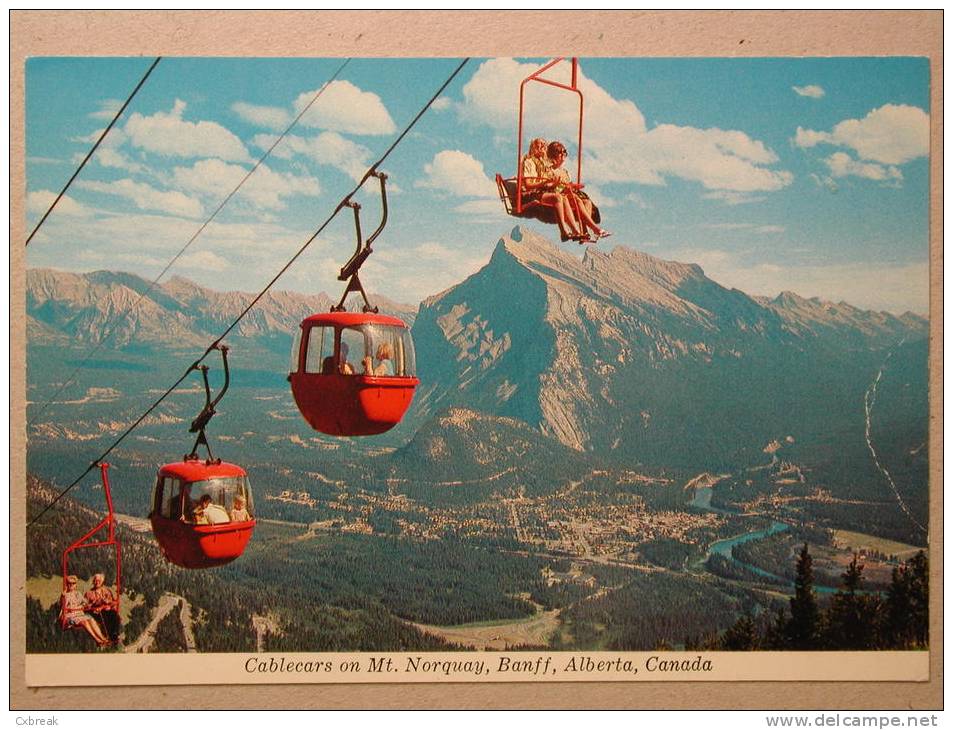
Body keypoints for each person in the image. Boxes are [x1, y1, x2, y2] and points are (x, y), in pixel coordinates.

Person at [520, 137, 586, 242]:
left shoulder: (544, 164)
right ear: (533, 148)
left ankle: (575, 231)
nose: (542, 147)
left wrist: (555, 184)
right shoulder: (529, 162)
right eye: (539, 145)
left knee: (564, 198)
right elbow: (528, 185)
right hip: (530, 194)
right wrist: (545, 182)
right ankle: (563, 231)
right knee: (558, 197)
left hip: (541, 191)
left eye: (544, 145)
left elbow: (547, 183)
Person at [545, 141, 611, 242]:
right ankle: (596, 229)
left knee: (587, 202)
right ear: (554, 155)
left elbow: (569, 184)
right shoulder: (550, 171)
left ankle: (584, 230)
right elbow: (548, 186)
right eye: (561, 152)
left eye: (564, 152)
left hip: (568, 193)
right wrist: (562, 187)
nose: (564, 155)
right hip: (559, 194)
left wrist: (573, 186)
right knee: (578, 200)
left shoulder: (565, 172)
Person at [59, 575, 111, 647]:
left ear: (75, 585)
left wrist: (92, 603)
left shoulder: (78, 594)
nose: (71, 585)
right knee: (84, 622)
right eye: (69, 583)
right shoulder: (65, 595)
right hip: (69, 617)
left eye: (73, 583)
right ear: (67, 585)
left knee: (91, 620)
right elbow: (64, 607)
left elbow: (85, 603)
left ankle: (103, 638)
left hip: (78, 614)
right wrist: (63, 597)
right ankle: (97, 640)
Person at [84, 573, 121, 644]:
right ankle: (107, 637)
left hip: (106, 609)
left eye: (99, 581)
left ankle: (115, 634)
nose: (97, 582)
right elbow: (85, 606)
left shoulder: (106, 591)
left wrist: (109, 604)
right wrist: (93, 605)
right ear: (93, 582)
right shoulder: (89, 593)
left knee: (115, 615)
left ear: (101, 582)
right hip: (96, 612)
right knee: (104, 617)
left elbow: (113, 601)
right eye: (95, 580)